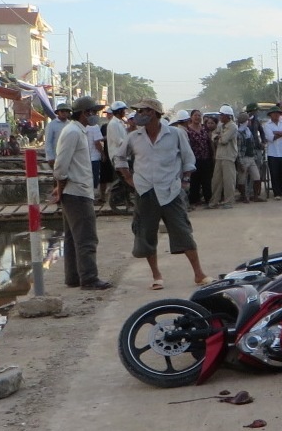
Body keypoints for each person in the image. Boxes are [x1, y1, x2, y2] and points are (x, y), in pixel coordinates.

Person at [114, 97, 208, 289]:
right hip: (145, 191)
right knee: (146, 234)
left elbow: (188, 159)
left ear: (154, 113)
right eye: (138, 112)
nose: (139, 115)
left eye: (143, 111)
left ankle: (199, 274)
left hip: (171, 191)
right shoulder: (134, 137)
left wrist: (185, 182)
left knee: (183, 232)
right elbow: (119, 157)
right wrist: (128, 178)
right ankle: (156, 276)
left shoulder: (175, 134)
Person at [52, 96, 111, 291]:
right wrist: (61, 184)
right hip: (77, 191)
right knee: (86, 237)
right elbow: (61, 166)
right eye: (93, 112)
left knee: (72, 237)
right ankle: (89, 278)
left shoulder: (77, 131)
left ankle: (74, 276)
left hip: (75, 190)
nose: (95, 116)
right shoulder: (73, 132)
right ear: (85, 113)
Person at [208, 105, 239, 209]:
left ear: (227, 116)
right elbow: (213, 135)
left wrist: (218, 137)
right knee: (216, 181)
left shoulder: (233, 126)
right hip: (219, 156)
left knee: (228, 180)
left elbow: (224, 140)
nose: (220, 117)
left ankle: (228, 201)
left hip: (229, 156)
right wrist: (217, 137)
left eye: (222, 115)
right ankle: (214, 202)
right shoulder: (221, 125)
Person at [104, 101, 131, 212]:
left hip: (123, 156)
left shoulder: (119, 123)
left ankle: (127, 201)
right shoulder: (113, 124)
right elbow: (119, 141)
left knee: (126, 180)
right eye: (123, 110)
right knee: (125, 179)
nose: (125, 112)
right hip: (118, 157)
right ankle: (118, 198)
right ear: (119, 111)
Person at [185, 109, 213, 208]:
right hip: (194, 159)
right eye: (195, 115)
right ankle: (194, 200)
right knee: (194, 181)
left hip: (205, 158)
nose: (197, 117)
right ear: (191, 117)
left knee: (206, 180)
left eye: (199, 115)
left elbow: (208, 143)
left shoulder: (204, 129)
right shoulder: (188, 130)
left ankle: (208, 199)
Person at [237, 110, 265, 202]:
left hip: (251, 157)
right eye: (248, 120)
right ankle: (243, 196)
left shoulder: (248, 131)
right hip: (244, 158)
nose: (249, 122)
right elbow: (238, 149)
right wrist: (240, 162)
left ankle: (254, 196)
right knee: (242, 180)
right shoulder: (238, 134)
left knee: (257, 177)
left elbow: (252, 145)